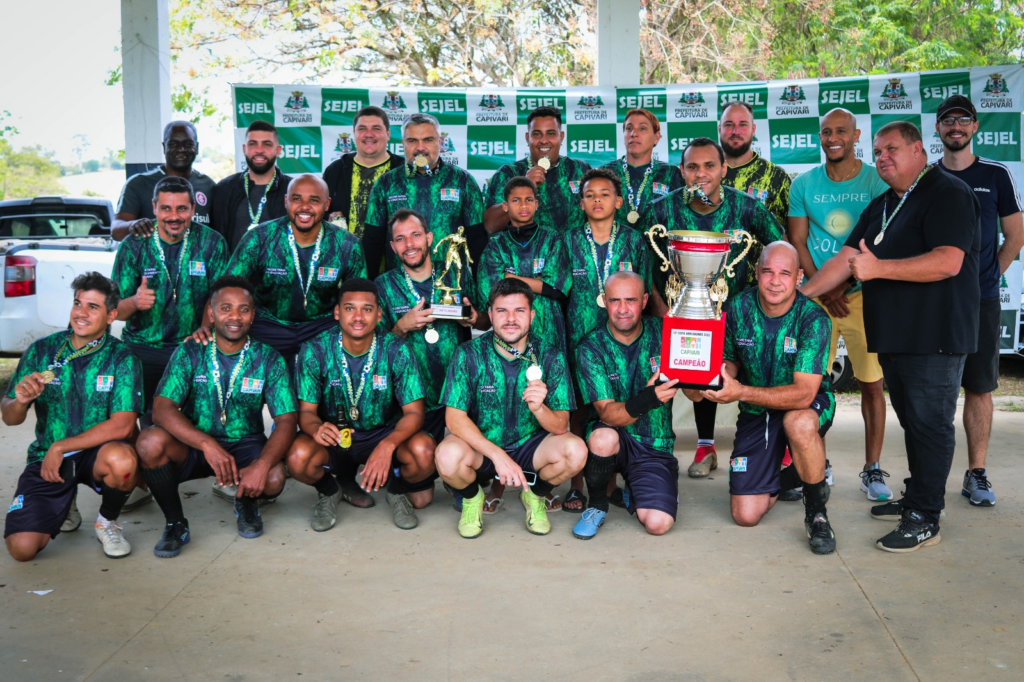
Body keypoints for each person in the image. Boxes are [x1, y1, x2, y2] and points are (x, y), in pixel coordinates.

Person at [801, 121, 981, 553]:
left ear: (919, 150)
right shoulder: (885, 203)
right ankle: (917, 497)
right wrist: (797, 297)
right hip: (897, 337)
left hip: (936, 335)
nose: (883, 158)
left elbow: (948, 261)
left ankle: (925, 518)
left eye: (893, 149)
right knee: (913, 422)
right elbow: (846, 259)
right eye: (878, 152)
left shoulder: (948, 192)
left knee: (931, 424)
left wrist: (879, 269)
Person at [644, 137, 785, 479]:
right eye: (692, 166)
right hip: (682, 313)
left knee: (759, 372)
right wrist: (664, 311)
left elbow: (780, 246)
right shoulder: (662, 209)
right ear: (682, 171)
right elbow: (640, 264)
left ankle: (780, 448)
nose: (701, 173)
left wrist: (764, 296)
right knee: (694, 377)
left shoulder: (746, 208)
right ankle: (703, 446)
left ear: (724, 169)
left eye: (709, 165)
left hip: (737, 315)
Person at [685, 242, 837, 555]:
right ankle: (797, 472)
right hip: (758, 409)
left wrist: (740, 391)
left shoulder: (813, 319)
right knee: (745, 514)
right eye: (768, 271)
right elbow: (728, 363)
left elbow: (804, 393)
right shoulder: (738, 308)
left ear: (798, 277)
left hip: (807, 405)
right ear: (757, 273)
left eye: (785, 273)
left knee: (799, 423)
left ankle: (816, 512)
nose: (775, 281)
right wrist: (703, 375)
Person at [135, 276, 297, 557]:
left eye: (244, 309)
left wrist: (263, 464)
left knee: (273, 477)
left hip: (245, 443)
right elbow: (162, 408)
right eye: (225, 308)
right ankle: (175, 523)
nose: (235, 316)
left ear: (253, 315)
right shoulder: (190, 350)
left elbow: (286, 420)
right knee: (149, 443)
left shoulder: (268, 358)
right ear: (211, 313)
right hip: (195, 444)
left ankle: (246, 501)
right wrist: (207, 445)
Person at [787, 108, 891, 501]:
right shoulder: (804, 184)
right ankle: (819, 464)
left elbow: (880, 239)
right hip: (818, 299)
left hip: (865, 297)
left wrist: (845, 283)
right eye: (826, 131)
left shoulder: (875, 181)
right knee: (813, 387)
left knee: (872, 384)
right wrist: (826, 288)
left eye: (841, 131)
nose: (833, 137)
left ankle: (872, 468)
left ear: (856, 135)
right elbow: (797, 241)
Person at [2, 273, 143, 561]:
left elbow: (124, 424)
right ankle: (66, 503)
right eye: (78, 303)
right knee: (21, 549)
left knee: (123, 460)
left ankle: (107, 521)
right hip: (48, 457)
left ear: (111, 315)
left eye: (93, 307)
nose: (81, 312)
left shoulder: (123, 358)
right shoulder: (41, 350)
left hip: (96, 455)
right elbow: (10, 418)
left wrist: (61, 446)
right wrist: (19, 401)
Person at [435, 278, 587, 538]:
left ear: (532, 314)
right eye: (502, 311)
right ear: (491, 315)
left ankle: (535, 497)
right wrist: (498, 456)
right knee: (446, 456)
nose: (511, 319)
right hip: (484, 449)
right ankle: (472, 499)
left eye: (519, 310)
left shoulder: (551, 356)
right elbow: (454, 419)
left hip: (532, 448)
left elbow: (561, 425)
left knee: (575, 450)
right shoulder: (468, 354)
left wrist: (540, 409)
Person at [285, 278, 437, 531]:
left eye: (367, 309)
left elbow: (414, 412)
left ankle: (396, 490)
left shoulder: (397, 349)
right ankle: (329, 490)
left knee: (425, 452)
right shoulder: (316, 350)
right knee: (297, 456)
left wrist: (388, 445)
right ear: (337, 312)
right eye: (349, 308)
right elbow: (307, 413)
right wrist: (316, 429)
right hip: (336, 437)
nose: (358, 316)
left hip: (383, 432)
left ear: (379, 314)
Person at [934, 94, 1024, 508]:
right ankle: (927, 477)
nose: (956, 126)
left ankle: (977, 473)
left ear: (974, 127)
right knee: (931, 391)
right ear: (937, 129)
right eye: (948, 120)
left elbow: (1016, 234)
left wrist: (989, 276)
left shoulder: (997, 175)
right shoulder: (925, 177)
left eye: (963, 120)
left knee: (980, 387)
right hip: (932, 302)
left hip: (982, 301)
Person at [571, 271, 680, 539]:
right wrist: (649, 397)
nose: (622, 309)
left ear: (644, 301)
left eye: (630, 300)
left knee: (657, 524)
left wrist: (702, 375)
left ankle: (636, 487)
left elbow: (698, 397)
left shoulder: (667, 334)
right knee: (601, 437)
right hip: (615, 437)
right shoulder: (590, 347)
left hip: (654, 444)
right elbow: (607, 414)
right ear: (604, 302)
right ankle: (597, 506)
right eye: (615, 300)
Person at [112, 176, 229, 420]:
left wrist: (205, 328)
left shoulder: (212, 243)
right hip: (143, 350)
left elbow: (218, 297)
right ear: (154, 207)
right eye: (166, 208)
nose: (173, 216)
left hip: (193, 347)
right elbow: (116, 312)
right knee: (149, 432)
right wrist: (134, 302)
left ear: (193, 209)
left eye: (182, 209)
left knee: (195, 424)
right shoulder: (133, 245)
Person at [223, 174, 368, 369]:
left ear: (327, 204)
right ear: (286, 201)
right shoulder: (259, 237)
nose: (304, 207)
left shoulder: (347, 245)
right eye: (296, 198)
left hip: (322, 326)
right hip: (269, 324)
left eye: (314, 200)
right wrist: (211, 327)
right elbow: (228, 288)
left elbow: (361, 297)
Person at [375, 208, 481, 451]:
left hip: (459, 388)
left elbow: (486, 321)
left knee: (466, 463)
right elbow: (377, 352)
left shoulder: (456, 275)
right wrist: (402, 326)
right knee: (421, 463)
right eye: (400, 239)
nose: (409, 244)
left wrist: (474, 318)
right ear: (393, 247)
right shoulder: (383, 285)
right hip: (414, 394)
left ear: (429, 239)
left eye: (415, 235)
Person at [363, 113, 486, 277]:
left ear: (440, 142)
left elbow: (477, 241)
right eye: (412, 141)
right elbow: (372, 244)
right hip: (399, 289)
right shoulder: (386, 184)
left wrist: (483, 295)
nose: (420, 147)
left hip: (451, 287)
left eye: (428, 140)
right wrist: (368, 291)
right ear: (403, 144)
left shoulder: (463, 181)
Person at [479, 177, 570, 352]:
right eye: (516, 200)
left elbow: (556, 289)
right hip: (510, 329)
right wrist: (538, 283)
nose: (523, 205)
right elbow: (491, 291)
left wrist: (510, 278)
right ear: (505, 206)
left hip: (548, 327)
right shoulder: (496, 245)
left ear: (536, 204)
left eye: (528, 200)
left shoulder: (552, 239)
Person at [482, 106, 591, 235]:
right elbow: (490, 225)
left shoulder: (580, 169)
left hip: (573, 254)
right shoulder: (508, 173)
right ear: (527, 138)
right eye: (537, 134)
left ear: (561, 137)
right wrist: (525, 186)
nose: (544, 140)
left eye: (551, 133)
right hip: (526, 254)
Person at [112, 121, 216, 241]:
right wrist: (132, 225)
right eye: (173, 144)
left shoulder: (208, 185)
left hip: (197, 259)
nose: (181, 149)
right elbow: (116, 231)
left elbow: (218, 231)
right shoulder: (138, 184)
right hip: (152, 259)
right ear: (164, 147)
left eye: (187, 144)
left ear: (196, 148)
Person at [210, 120, 294, 252]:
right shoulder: (224, 189)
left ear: (278, 150)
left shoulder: (292, 190)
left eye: (267, 144)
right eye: (253, 144)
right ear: (244, 149)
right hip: (233, 272)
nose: (259, 150)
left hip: (277, 271)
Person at [322, 106, 404, 236]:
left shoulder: (404, 170)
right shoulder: (335, 170)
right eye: (362, 128)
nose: (369, 134)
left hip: (393, 255)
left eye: (376, 128)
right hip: (345, 255)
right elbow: (318, 211)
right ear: (354, 133)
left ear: (388, 134)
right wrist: (328, 217)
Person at [600, 108, 681, 228]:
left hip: (658, 246)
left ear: (656, 137)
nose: (634, 133)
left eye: (642, 128)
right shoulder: (605, 172)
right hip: (614, 245)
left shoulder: (671, 173)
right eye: (629, 128)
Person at [719, 101, 791, 227]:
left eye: (743, 125)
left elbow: (793, 234)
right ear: (720, 129)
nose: (736, 131)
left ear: (753, 129)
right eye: (729, 125)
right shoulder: (705, 175)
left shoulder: (776, 177)